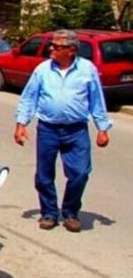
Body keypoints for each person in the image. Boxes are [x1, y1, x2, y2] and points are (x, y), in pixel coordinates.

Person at [15, 29, 111, 233]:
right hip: (48, 129)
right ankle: (49, 212)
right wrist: (21, 124)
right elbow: (29, 97)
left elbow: (96, 100)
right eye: (52, 45)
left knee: (81, 173)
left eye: (57, 46)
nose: (51, 49)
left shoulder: (87, 70)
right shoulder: (43, 70)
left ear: (71, 50)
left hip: (76, 130)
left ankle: (70, 212)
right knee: (44, 175)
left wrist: (102, 128)